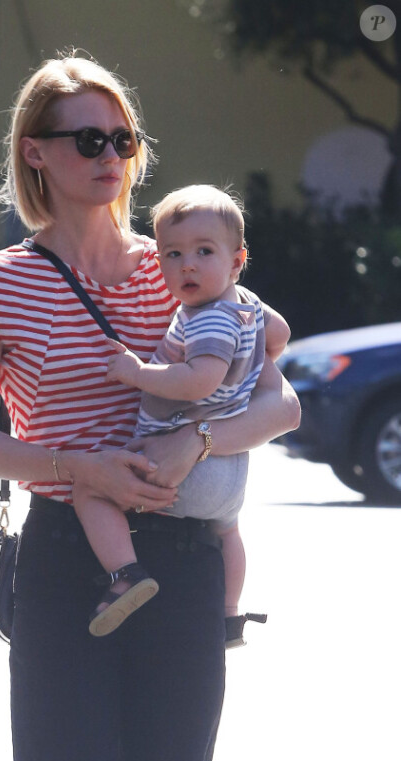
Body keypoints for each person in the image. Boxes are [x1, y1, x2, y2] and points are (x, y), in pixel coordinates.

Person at [0, 51, 300, 761]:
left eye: (122, 138)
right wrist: (79, 466)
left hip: (187, 551)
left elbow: (280, 403)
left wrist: (196, 438)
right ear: (35, 150)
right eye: (89, 139)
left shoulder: (184, 265)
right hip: (69, 555)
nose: (110, 154)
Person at [79, 184, 290, 644]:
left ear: (237, 260)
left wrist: (138, 372)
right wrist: (255, 358)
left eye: (203, 251)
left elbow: (199, 381)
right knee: (229, 532)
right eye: (172, 254)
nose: (187, 264)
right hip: (229, 467)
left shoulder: (208, 318)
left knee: (91, 489)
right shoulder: (246, 305)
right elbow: (281, 331)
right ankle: (230, 616)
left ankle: (126, 573)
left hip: (180, 461)